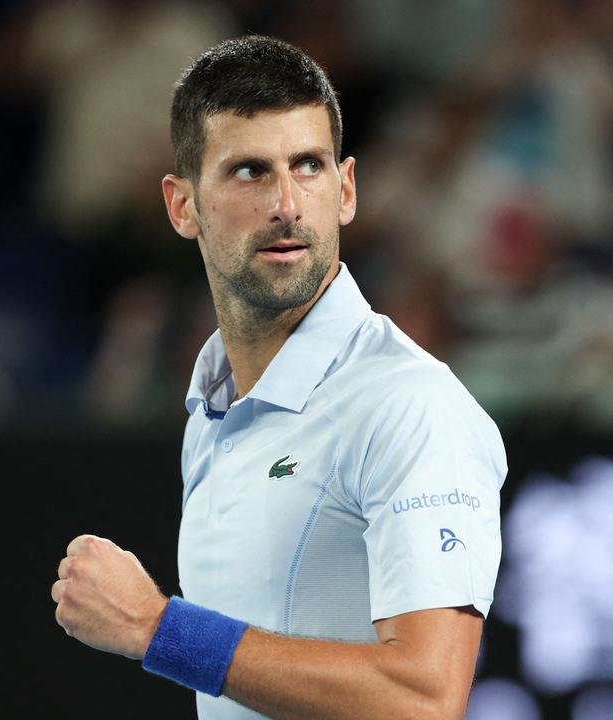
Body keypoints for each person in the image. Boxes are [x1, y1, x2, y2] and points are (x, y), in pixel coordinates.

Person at [50, 36, 507, 720]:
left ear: (345, 188)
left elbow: (425, 698)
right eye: (249, 173)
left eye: (309, 167)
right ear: (183, 207)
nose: (288, 203)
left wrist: (158, 630)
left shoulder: (409, 404)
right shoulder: (211, 410)